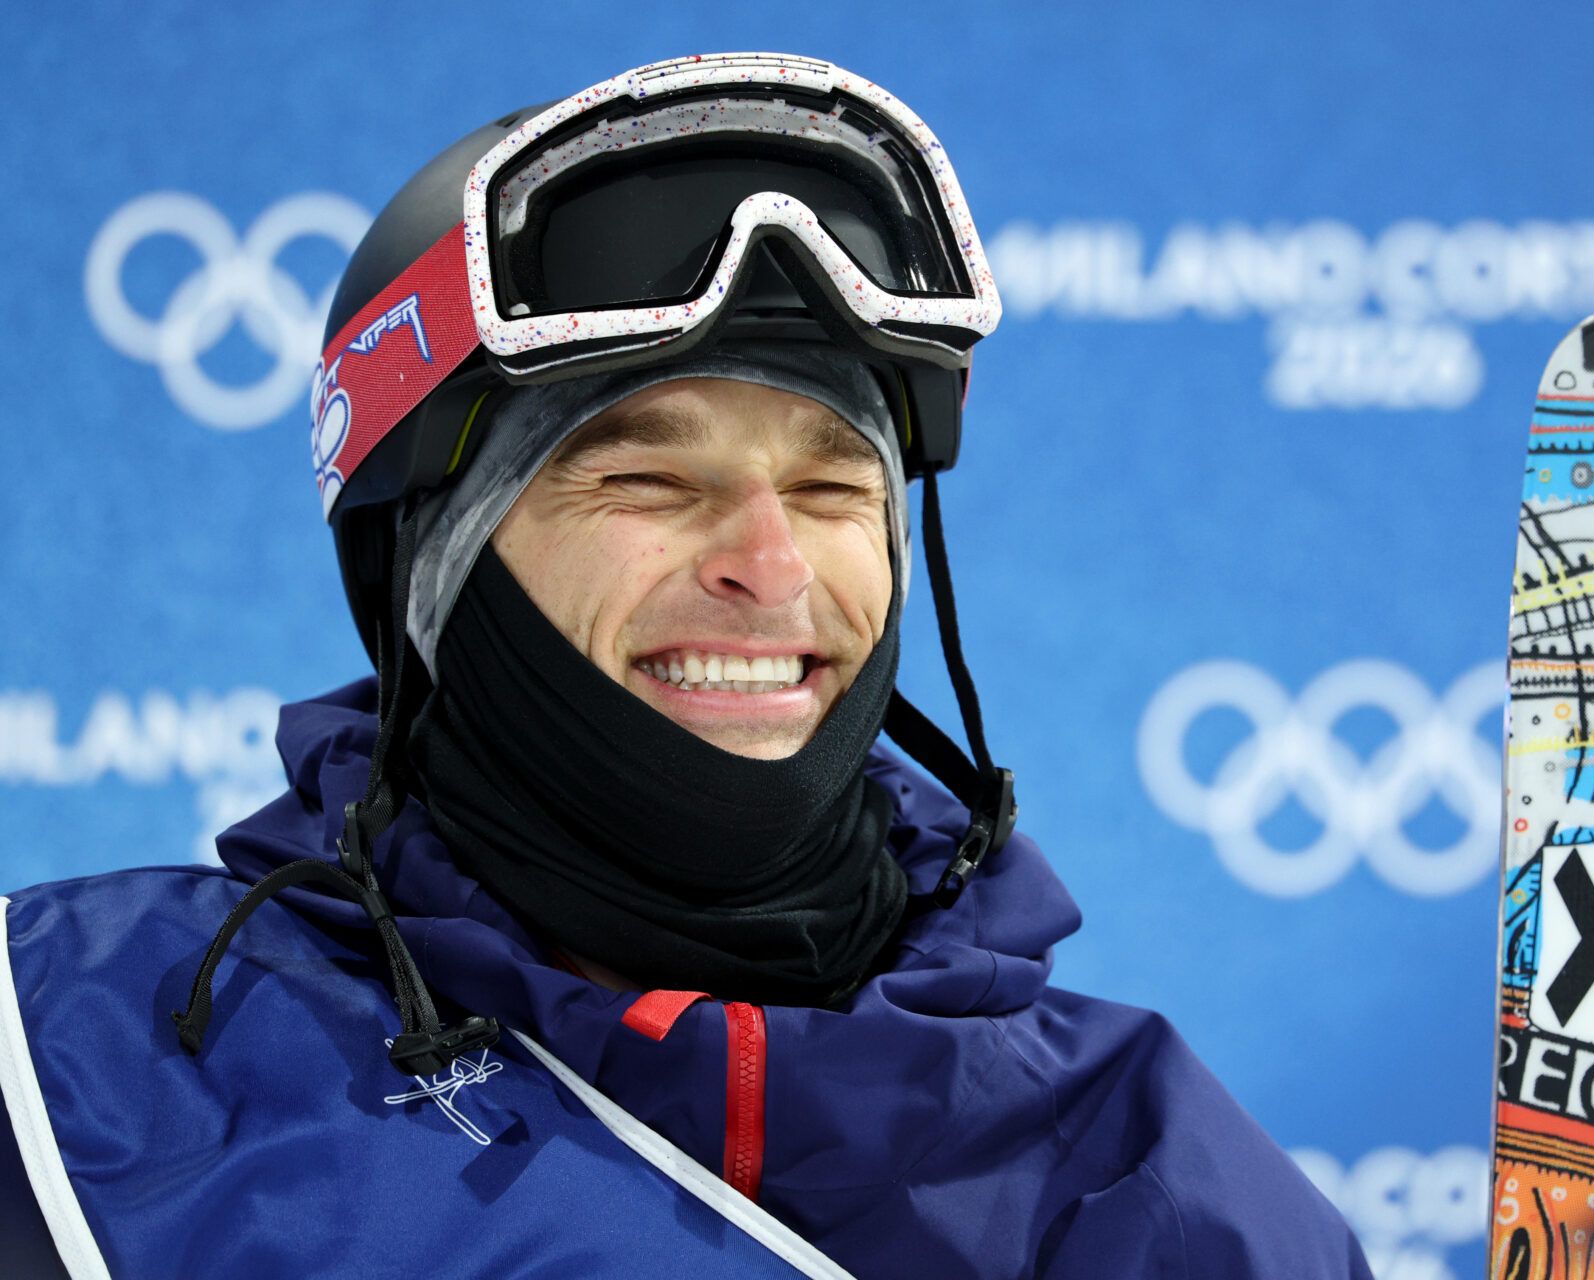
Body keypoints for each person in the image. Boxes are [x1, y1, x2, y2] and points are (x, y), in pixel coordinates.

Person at [0, 54, 1369, 1278]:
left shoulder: (1161, 1191)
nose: (769, 567)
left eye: (836, 491)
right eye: (649, 477)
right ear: (431, 571)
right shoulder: (70, 1073)